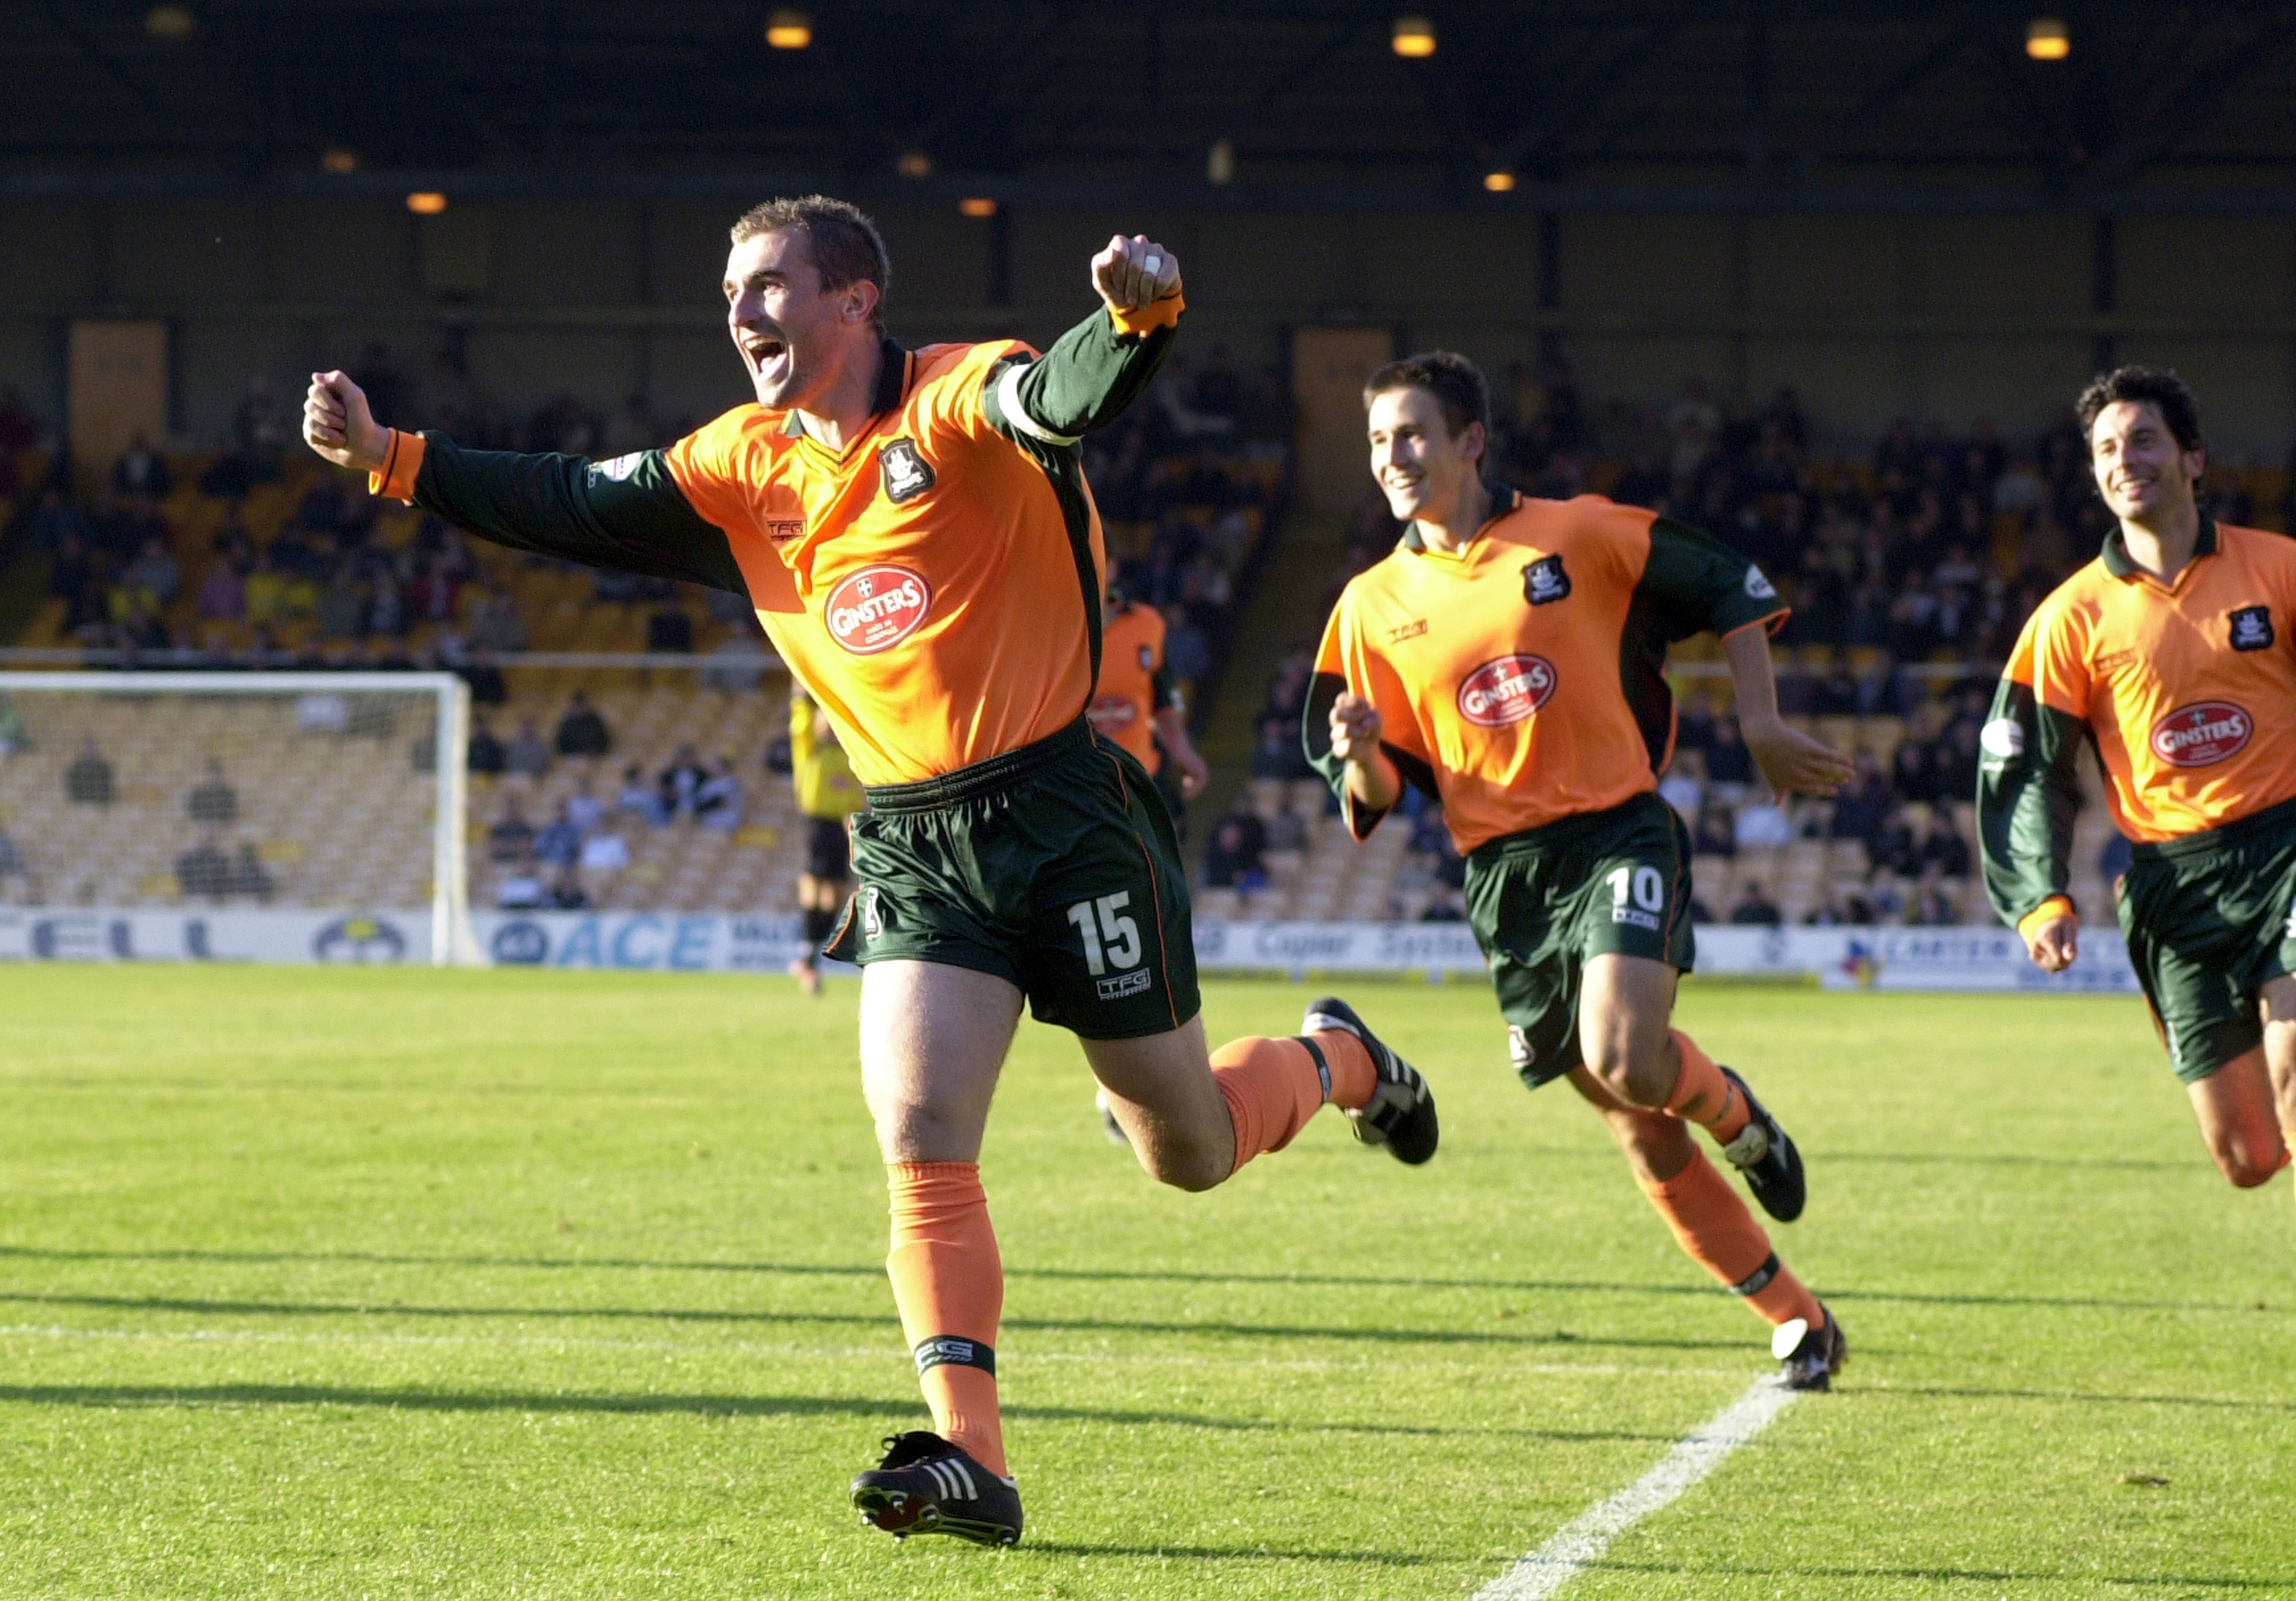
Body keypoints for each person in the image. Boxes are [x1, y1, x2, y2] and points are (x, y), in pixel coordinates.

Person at [303, 192, 1435, 1549]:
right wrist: (391, 457)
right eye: (731, 291)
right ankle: (974, 1460)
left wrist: (1137, 321)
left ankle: (1335, 1059)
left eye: (770, 285)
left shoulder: (957, 396)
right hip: (911, 836)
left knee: (1183, 1148)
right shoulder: (742, 463)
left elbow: (1056, 400)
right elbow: (569, 500)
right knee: (919, 1136)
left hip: (1066, 812)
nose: (741, 312)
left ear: (855, 301)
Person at [1307, 350, 1853, 1390]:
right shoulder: (1370, 604)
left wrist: (1762, 720)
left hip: (1616, 831)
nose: (1393, 456)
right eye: (1378, 439)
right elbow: (1373, 798)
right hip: (1502, 880)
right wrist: (1361, 749)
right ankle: (1798, 1319)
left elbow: (1731, 581)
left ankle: (1737, 1115)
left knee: (1631, 1056)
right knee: (1641, 1132)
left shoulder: (1579, 533)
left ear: (1471, 440)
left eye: (1413, 432)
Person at [1981, 365, 2296, 1201]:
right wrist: (2039, 896)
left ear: (2194, 459)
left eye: (2146, 439)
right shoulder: (2068, 618)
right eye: (2108, 448)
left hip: (2288, 849)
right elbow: (2025, 768)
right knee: (2250, 1156)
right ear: (2095, 475)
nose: (2127, 459)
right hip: (2174, 885)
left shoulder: (2280, 571)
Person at [1086, 582, 1209, 833]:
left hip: (1139, 781)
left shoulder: (1147, 623)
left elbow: (1162, 697)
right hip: (1079, 790)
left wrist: (1180, 749)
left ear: (1112, 567)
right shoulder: (1048, 627)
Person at [788, 686, 864, 997]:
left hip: (841, 825)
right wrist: (800, 697)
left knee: (836, 893)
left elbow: (856, 793)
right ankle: (806, 955)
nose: (828, 728)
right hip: (817, 824)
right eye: (824, 723)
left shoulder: (847, 757)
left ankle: (809, 958)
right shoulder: (810, 750)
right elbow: (800, 722)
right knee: (814, 885)